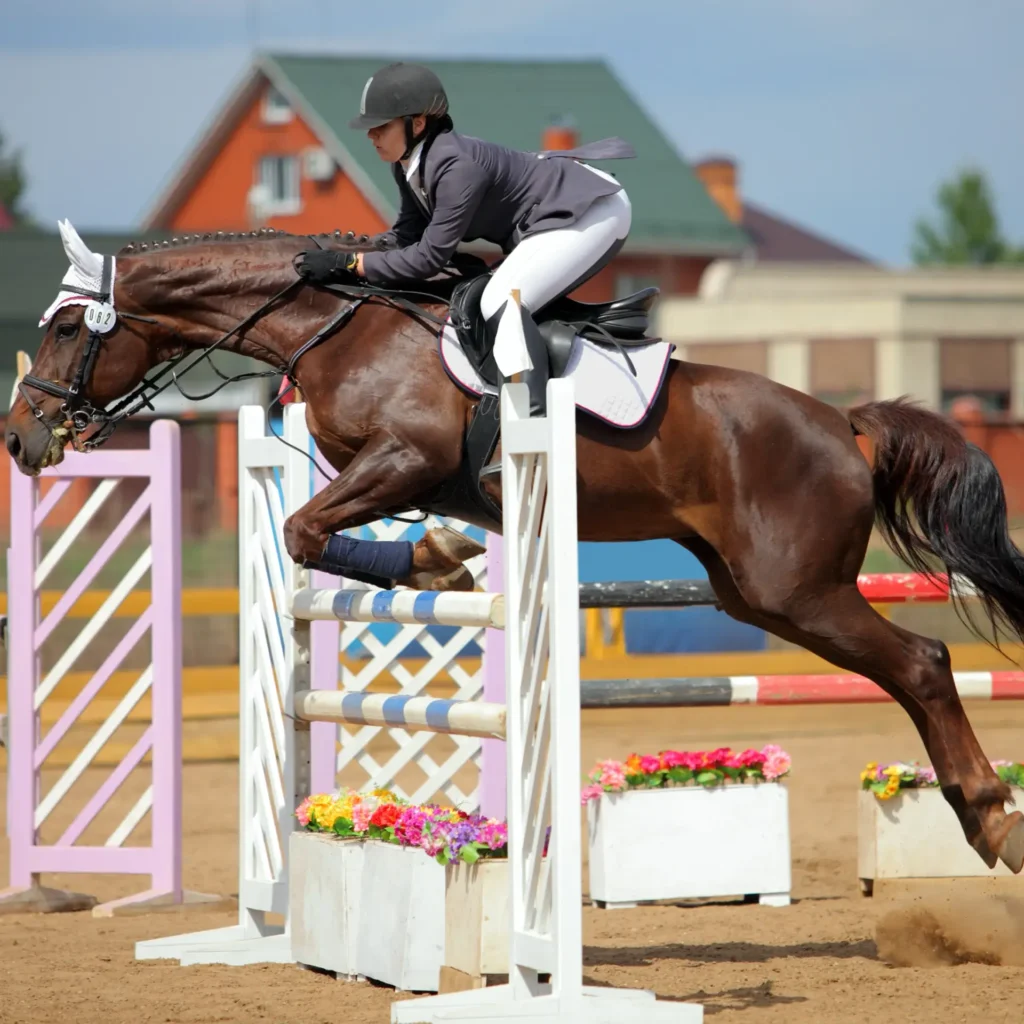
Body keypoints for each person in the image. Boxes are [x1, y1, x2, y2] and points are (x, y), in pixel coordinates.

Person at [294, 61, 635, 417]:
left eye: (381, 126)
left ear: (418, 123)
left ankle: (532, 423)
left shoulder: (456, 166)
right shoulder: (408, 165)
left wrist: (352, 264)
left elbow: (428, 257)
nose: (370, 135)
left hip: (592, 210)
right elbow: (405, 237)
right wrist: (342, 259)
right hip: (552, 218)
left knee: (501, 300)